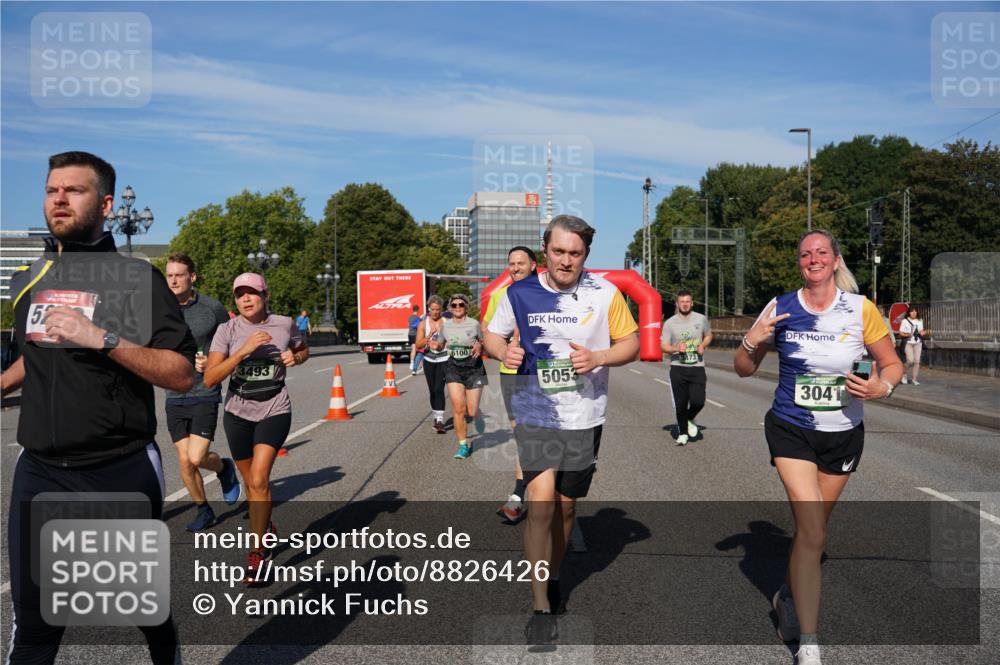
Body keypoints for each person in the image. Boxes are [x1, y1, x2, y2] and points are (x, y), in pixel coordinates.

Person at [0, 151, 194, 664]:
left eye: (74, 190)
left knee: (138, 603)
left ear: (107, 205)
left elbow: (181, 373)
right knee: (36, 623)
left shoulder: (136, 279)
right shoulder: (29, 278)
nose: (59, 199)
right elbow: (36, 354)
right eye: (51, 190)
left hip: (117, 469)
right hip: (40, 471)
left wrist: (102, 338)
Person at [734, 229, 902, 665]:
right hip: (791, 428)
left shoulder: (859, 309)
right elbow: (743, 369)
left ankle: (786, 596)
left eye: (821, 252)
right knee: (812, 531)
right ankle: (808, 644)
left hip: (843, 433)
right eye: (806, 253)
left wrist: (881, 387)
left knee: (813, 532)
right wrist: (753, 339)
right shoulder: (780, 307)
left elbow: (892, 363)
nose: (813, 259)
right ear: (799, 262)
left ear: (835, 260)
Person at [483, 215, 639, 645]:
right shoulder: (519, 292)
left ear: (585, 255)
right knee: (541, 504)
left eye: (575, 253)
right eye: (558, 251)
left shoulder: (605, 293)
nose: (566, 261)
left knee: (566, 509)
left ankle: (552, 575)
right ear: (545, 251)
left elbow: (631, 343)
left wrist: (599, 358)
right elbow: (492, 335)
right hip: (535, 408)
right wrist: (504, 351)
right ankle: (540, 607)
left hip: (584, 414)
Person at [204, 273, 309, 583]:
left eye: (252, 293)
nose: (246, 299)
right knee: (251, 484)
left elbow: (303, 349)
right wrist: (242, 351)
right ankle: (266, 527)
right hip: (237, 412)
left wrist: (296, 356)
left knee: (260, 479)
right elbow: (210, 378)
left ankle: (258, 554)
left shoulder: (284, 324)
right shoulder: (227, 330)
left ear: (266, 295)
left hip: (274, 407)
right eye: (240, 294)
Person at [163, 253, 242, 530]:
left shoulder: (212, 308)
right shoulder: (161, 308)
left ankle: (224, 468)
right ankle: (204, 510)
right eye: (169, 275)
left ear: (192, 277)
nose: (173, 280)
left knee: (196, 457)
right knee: (185, 461)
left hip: (204, 391)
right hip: (173, 394)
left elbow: (232, 342)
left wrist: (213, 363)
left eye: (179, 275)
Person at [482, 245, 538, 523]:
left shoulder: (546, 292)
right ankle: (518, 496)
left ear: (533, 265)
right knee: (523, 435)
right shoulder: (501, 295)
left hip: (541, 373)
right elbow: (488, 331)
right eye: (511, 264)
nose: (515, 268)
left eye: (520, 263)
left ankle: (540, 490)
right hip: (512, 373)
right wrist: (504, 349)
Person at [660, 289, 713, 446]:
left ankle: (689, 418)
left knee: (699, 401)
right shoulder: (670, 323)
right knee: (681, 404)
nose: (685, 304)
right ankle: (683, 433)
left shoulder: (701, 319)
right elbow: (664, 346)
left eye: (687, 301)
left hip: (697, 367)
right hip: (678, 368)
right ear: (677, 304)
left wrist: (703, 345)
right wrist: (676, 348)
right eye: (682, 302)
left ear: (692, 303)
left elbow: (709, 335)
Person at [441, 292, 487, 459]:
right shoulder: (446, 326)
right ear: (450, 308)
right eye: (454, 305)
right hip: (453, 368)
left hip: (474, 368)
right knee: (459, 409)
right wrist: (435, 345)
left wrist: (480, 345)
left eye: (461, 304)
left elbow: (484, 342)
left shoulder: (474, 324)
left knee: (471, 411)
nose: (458, 307)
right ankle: (463, 446)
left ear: (466, 307)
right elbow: (440, 344)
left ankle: (478, 414)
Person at [415, 295, 448, 433]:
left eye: (438, 310)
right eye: (433, 309)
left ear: (441, 309)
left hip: (444, 359)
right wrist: (429, 336)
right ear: (429, 309)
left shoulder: (446, 322)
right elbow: (418, 344)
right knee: (432, 390)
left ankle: (440, 420)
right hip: (429, 360)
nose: (435, 312)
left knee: (439, 388)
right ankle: (435, 416)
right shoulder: (423, 324)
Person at [898, 305, 929, 385]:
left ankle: (914, 379)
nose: (914, 312)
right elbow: (900, 332)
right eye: (912, 311)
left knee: (917, 361)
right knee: (910, 360)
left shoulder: (919, 320)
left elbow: (920, 330)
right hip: (908, 343)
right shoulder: (905, 321)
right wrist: (908, 334)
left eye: (915, 311)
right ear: (909, 312)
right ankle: (903, 373)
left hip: (918, 342)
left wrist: (923, 332)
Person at [408, 304, 424, 375]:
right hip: (415, 335)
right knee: (418, 350)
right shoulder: (418, 318)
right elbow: (419, 327)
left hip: (410, 334)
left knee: (413, 349)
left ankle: (412, 362)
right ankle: (415, 364)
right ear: (418, 310)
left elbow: (408, 325)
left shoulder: (409, 317)